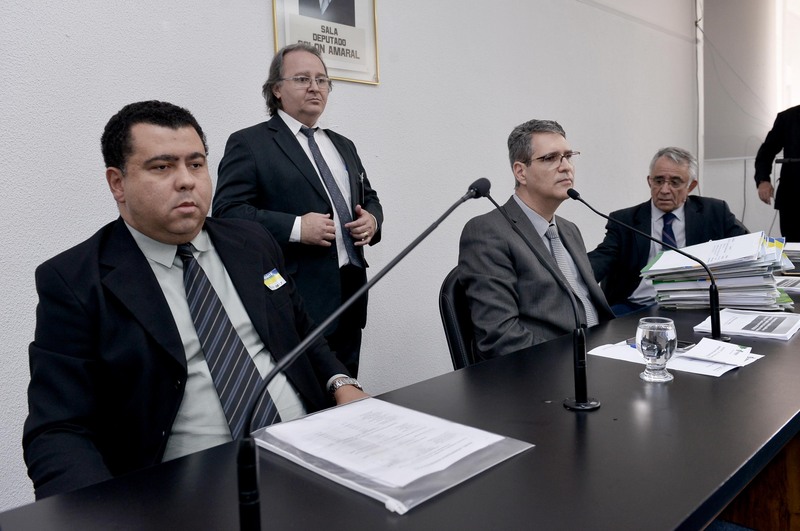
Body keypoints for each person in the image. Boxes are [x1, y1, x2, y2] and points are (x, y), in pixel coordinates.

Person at [23, 100, 367, 500]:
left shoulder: (251, 242)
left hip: (307, 454)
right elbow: (58, 430)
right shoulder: (75, 281)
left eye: (196, 164)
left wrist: (342, 383)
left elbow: (302, 331)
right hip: (184, 492)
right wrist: (102, 515)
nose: (186, 181)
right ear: (117, 183)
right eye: (162, 167)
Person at [213, 43, 383, 376]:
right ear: (276, 89)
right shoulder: (250, 143)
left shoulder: (343, 144)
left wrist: (373, 220)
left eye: (322, 80)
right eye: (303, 79)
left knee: (346, 390)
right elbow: (227, 213)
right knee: (307, 398)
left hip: (351, 293)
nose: (315, 87)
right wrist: (296, 228)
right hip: (295, 298)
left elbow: (369, 196)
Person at [458, 119, 613, 360]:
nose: (566, 167)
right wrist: (579, 363)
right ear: (521, 172)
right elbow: (500, 338)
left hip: (603, 354)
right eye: (550, 158)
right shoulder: (487, 231)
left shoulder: (569, 230)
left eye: (568, 156)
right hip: (550, 369)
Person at [589, 147, 748, 315]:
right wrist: (573, 275)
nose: (664, 190)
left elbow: (748, 247)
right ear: (649, 181)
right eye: (658, 181)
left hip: (697, 304)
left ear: (691, 186)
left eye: (675, 182)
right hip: (637, 306)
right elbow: (602, 258)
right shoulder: (624, 220)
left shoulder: (714, 212)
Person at [754, 105, 800, 241]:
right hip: (793, 199)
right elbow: (766, 153)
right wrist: (763, 181)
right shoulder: (788, 117)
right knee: (794, 246)